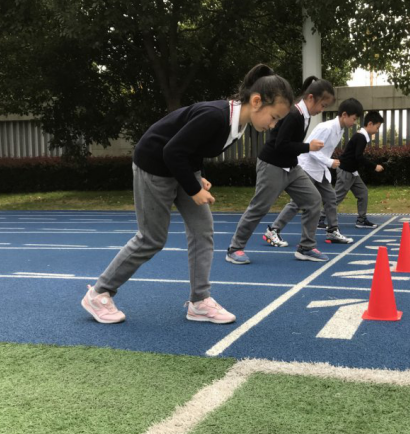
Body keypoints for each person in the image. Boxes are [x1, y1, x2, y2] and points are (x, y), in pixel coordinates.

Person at [81, 64, 293, 325]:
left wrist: (197, 176)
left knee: (203, 230)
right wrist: (193, 189)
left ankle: (199, 301)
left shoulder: (237, 124)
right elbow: (172, 150)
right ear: (257, 101)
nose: (273, 125)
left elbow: (194, 148)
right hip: (154, 165)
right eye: (274, 117)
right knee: (151, 239)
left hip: (179, 165)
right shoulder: (216, 116)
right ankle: (99, 293)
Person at [226, 77, 335, 264]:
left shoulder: (305, 115)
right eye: (322, 105)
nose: (322, 110)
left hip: (291, 167)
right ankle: (235, 248)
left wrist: (304, 148)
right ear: (311, 98)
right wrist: (308, 147)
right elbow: (281, 145)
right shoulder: (293, 114)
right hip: (272, 164)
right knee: (259, 207)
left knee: (313, 200)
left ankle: (306, 247)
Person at [264, 98, 363, 247]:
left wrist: (327, 162)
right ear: (344, 115)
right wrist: (329, 162)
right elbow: (311, 149)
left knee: (330, 198)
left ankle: (332, 230)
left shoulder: (339, 129)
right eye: (354, 119)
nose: (354, 123)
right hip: (308, 168)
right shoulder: (326, 128)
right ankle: (273, 230)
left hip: (319, 169)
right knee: (297, 202)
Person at [335, 110, 385, 229]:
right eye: (377, 127)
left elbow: (355, 157)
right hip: (346, 171)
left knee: (363, 193)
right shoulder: (361, 137)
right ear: (370, 124)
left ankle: (361, 220)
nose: (377, 131)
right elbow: (359, 157)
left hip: (352, 172)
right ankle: (321, 218)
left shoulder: (361, 136)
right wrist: (374, 166)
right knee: (337, 197)